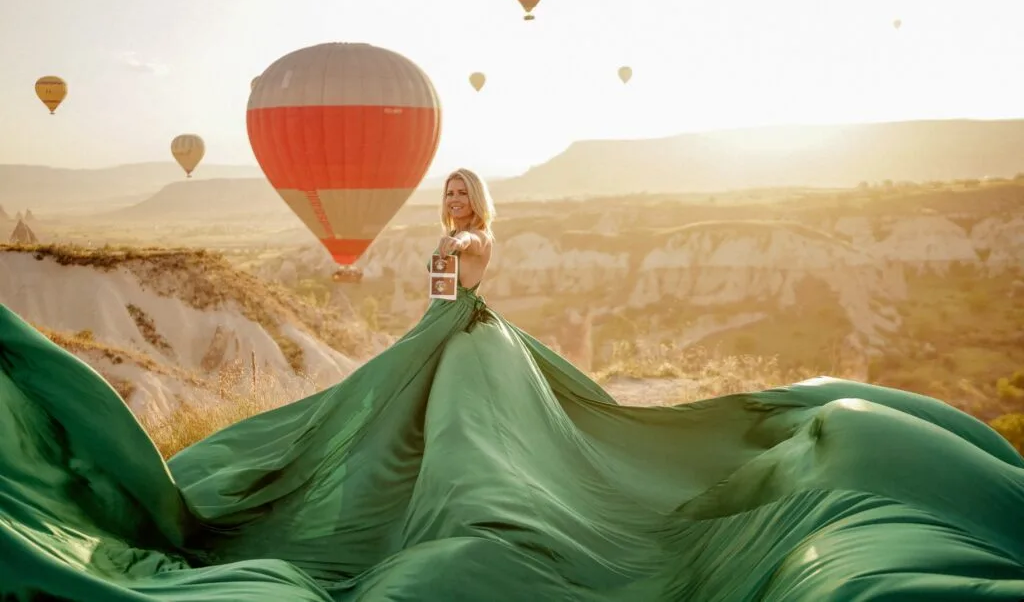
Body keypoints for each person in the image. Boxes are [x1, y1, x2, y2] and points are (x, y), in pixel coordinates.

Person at [1, 169, 1023, 601]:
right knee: (390, 442)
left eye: (460, 190)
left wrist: (455, 265)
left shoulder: (471, 238)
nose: (450, 200)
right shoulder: (455, 235)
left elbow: (458, 287)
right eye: (445, 190)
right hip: (444, 336)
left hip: (468, 340)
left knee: (473, 444)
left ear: (478, 204)